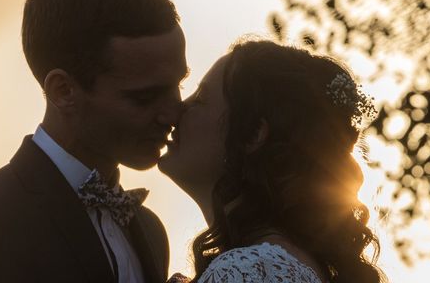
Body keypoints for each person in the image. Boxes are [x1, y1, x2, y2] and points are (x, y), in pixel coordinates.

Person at [0, 0, 189, 282]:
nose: (173, 114)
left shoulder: (149, 230)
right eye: (144, 97)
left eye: (180, 85)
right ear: (63, 91)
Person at [159, 39, 386, 283]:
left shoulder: (247, 271)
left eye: (201, 98)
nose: (180, 107)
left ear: (253, 134)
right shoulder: (287, 262)